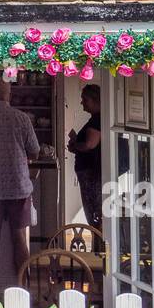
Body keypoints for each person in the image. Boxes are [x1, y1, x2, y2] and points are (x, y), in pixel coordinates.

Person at [0, 78, 40, 299]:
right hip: (18, 187)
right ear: (9, 95)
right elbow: (34, 150)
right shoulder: (21, 118)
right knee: (20, 241)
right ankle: (22, 288)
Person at [68, 83, 102, 229]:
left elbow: (90, 144)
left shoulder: (97, 120)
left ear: (95, 100)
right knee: (94, 210)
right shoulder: (97, 119)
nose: (82, 102)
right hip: (91, 172)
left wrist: (76, 144)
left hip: (91, 173)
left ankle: (99, 245)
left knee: (94, 210)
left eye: (85, 99)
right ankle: (98, 243)